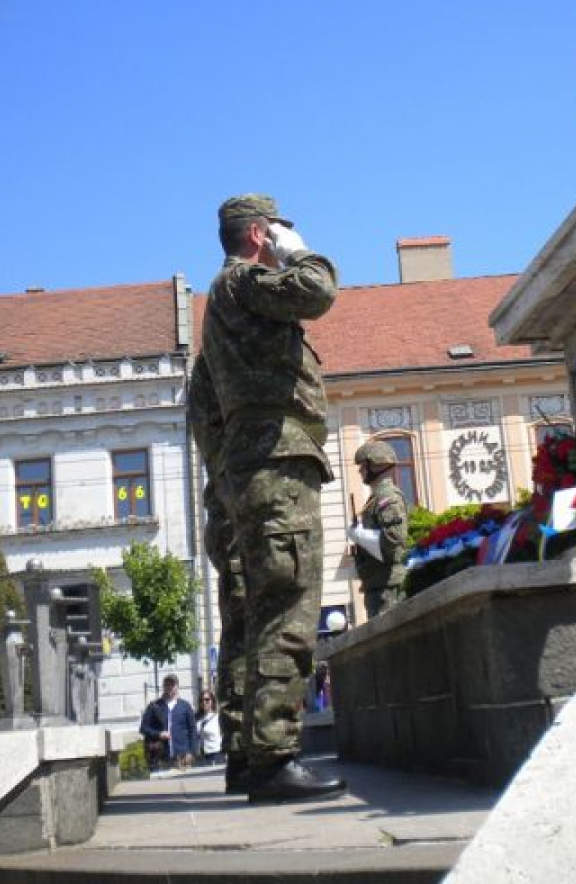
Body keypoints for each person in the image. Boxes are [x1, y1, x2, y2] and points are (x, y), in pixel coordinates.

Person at [201, 192, 346, 803]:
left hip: (251, 465)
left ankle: (247, 753)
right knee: (288, 606)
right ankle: (275, 757)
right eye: (276, 231)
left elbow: (204, 412)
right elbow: (317, 290)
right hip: (276, 461)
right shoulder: (244, 283)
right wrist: (298, 250)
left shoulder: (221, 307)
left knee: (261, 611)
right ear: (260, 233)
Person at [187, 353, 246, 784]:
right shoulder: (220, 366)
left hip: (227, 512)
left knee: (239, 630)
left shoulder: (209, 371)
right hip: (233, 512)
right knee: (245, 630)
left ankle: (242, 748)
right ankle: (245, 747)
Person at [346, 440, 409, 618]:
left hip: (388, 586)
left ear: (376, 465)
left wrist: (360, 535)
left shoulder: (388, 497)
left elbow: (394, 541)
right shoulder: (376, 499)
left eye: (363, 465)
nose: (360, 470)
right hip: (378, 584)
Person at [139, 673, 198, 773]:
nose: (169, 687)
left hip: (182, 756)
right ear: (163, 686)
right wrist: (159, 734)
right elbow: (143, 728)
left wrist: (192, 752)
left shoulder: (185, 706)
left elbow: (192, 730)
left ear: (177, 686)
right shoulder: (154, 706)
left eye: (172, 684)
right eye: (167, 684)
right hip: (160, 757)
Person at [196, 689, 224, 765]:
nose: (204, 702)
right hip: (200, 755)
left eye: (207, 700)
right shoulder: (197, 718)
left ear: (212, 701)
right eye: (201, 700)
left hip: (215, 753)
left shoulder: (218, 717)